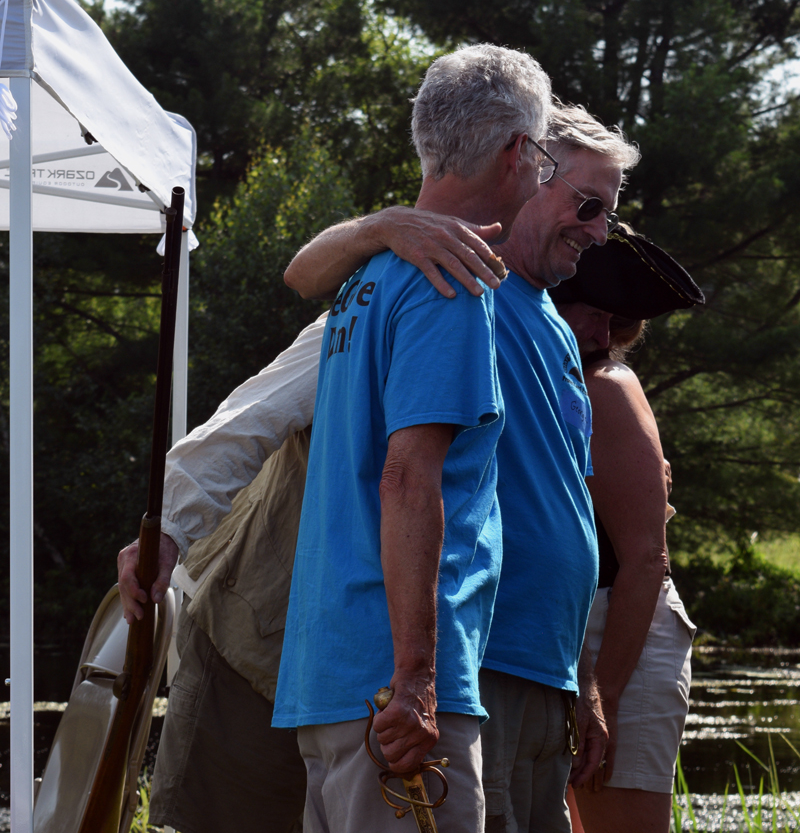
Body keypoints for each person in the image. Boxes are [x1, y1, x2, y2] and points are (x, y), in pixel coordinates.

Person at [119, 43, 553, 833]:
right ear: (517, 153)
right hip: (388, 686)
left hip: (324, 681)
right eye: (546, 157)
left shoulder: (369, 278)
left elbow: (302, 281)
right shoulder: (449, 282)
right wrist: (418, 679)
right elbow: (408, 478)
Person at [284, 100, 640, 832]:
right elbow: (302, 272)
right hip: (479, 659)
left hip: (544, 669)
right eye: (590, 203)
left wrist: (586, 683)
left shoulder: (557, 328)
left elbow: (564, 509)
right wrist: (382, 223)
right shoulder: (462, 272)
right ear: (532, 166)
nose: (601, 230)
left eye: (608, 211)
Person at [549, 226, 704, 833]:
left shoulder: (606, 387)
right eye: (589, 311)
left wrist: (604, 695)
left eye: (612, 319)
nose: (600, 333)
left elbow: (646, 560)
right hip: (565, 636)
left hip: (621, 637)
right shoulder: (544, 381)